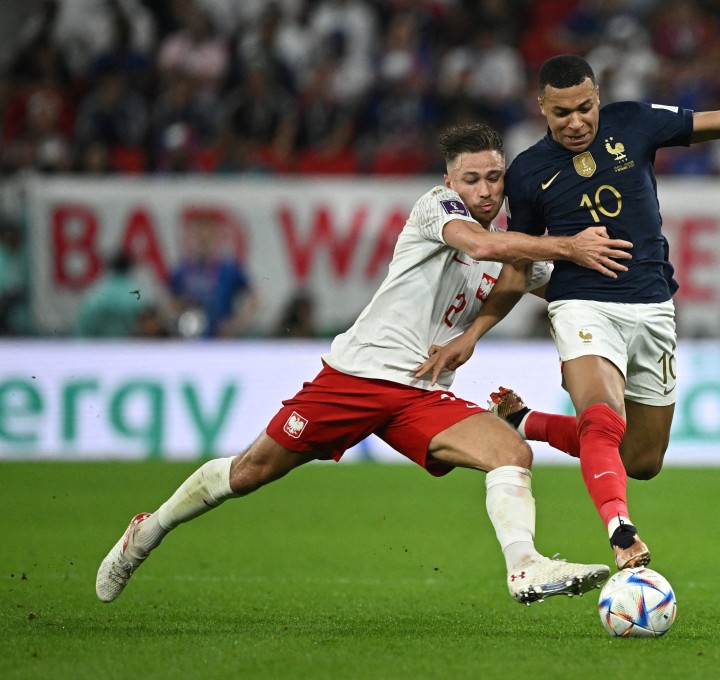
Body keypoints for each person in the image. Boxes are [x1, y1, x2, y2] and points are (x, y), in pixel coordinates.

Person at [96, 123, 634, 606]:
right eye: (472, 179)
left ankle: (524, 567)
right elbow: (481, 245)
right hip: (357, 377)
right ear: (451, 183)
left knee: (510, 451)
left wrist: (625, 298)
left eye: (495, 177)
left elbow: (561, 287)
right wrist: (566, 244)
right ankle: (148, 531)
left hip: (422, 392)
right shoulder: (438, 210)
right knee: (250, 471)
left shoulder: (515, 248)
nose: (486, 190)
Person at [417, 55, 720, 571]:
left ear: (598, 98)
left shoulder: (634, 123)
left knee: (643, 460)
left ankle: (524, 421)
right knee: (602, 417)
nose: (576, 122)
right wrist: (474, 334)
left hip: (652, 307)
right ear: (541, 108)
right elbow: (517, 268)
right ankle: (621, 531)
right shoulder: (528, 173)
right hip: (583, 304)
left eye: (585, 108)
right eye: (562, 113)